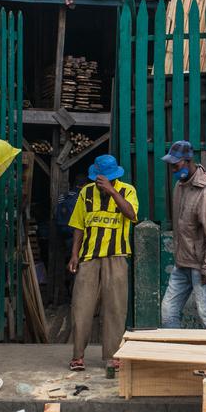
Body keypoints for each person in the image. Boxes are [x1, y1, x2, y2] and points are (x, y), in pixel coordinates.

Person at [66, 155, 138, 372]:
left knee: (115, 308)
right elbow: (78, 225)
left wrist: (113, 192)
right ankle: (78, 356)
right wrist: (74, 254)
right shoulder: (85, 193)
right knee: (81, 306)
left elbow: (132, 214)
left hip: (116, 256)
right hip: (89, 257)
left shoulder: (127, 191)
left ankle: (113, 356)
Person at [159, 140, 206, 329]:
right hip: (182, 263)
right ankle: (177, 355)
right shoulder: (180, 186)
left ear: (188, 161)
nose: (173, 170)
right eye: (171, 165)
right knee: (168, 312)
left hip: (200, 265)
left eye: (176, 165)